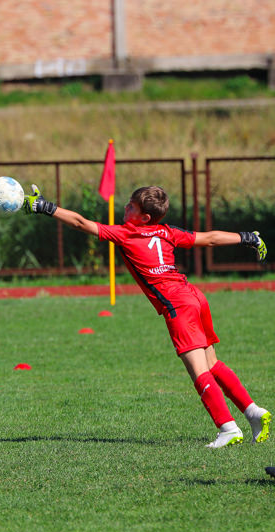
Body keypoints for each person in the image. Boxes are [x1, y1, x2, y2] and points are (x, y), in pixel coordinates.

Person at [23, 184, 269, 448]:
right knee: (212, 364)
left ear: (144, 218)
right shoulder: (167, 232)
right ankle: (253, 412)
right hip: (195, 296)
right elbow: (209, 238)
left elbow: (81, 223)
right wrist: (247, 237)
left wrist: (45, 207)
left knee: (198, 371)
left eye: (131, 206)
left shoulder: (127, 234)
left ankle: (228, 428)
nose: (125, 208)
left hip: (178, 304)